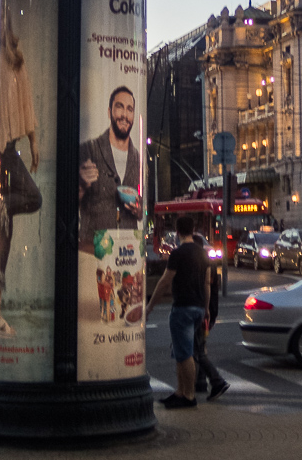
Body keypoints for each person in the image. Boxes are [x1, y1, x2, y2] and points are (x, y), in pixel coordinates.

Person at [0, 8, 43, 336]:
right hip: (4, 151)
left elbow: (25, 105)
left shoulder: (18, 65)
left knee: (6, 241)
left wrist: (34, 142)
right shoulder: (3, 61)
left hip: (10, 151)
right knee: (6, 242)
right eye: (14, 31)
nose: (18, 38)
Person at [145, 216, 210, 409]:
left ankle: (188, 395)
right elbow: (207, 283)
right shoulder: (202, 253)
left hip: (183, 307)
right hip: (198, 306)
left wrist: (150, 307)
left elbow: (165, 281)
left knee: (185, 353)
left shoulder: (178, 254)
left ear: (177, 231)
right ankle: (180, 392)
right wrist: (205, 308)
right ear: (193, 229)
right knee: (181, 351)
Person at [78, 86, 142, 250]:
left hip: (128, 252)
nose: (124, 115)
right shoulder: (88, 149)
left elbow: (144, 210)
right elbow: (65, 203)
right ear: (109, 111)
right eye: (119, 107)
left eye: (130, 109)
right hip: (94, 252)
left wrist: (139, 209)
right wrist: (82, 185)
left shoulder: (138, 159)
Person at [193, 239, 230, 401]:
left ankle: (216, 381)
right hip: (210, 311)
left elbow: (205, 286)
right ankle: (201, 382)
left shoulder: (201, 264)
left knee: (197, 348)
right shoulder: (208, 262)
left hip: (204, 311)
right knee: (200, 344)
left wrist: (205, 310)